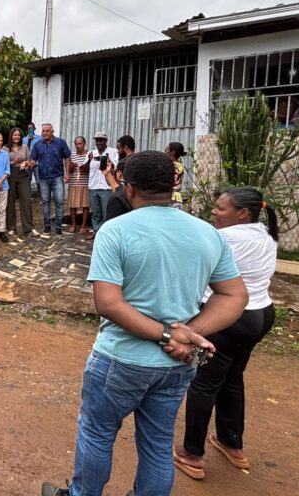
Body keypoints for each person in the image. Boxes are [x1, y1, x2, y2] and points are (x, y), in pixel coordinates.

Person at [42, 151, 248, 496]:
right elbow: (234, 296)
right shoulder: (207, 233)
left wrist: (169, 334)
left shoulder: (115, 231)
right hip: (176, 364)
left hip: (119, 360)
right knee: (157, 444)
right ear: (174, 185)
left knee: (97, 433)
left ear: (129, 188)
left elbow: (108, 303)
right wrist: (188, 334)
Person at [174, 188, 279, 481]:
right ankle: (232, 445)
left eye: (220, 209)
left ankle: (191, 455)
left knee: (204, 384)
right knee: (232, 378)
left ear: (242, 213)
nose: (214, 213)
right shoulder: (264, 233)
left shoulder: (225, 238)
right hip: (261, 315)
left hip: (228, 318)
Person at [29, 123, 71, 235]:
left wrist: (68, 173)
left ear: (52, 131)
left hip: (57, 177)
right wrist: (28, 164)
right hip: (43, 178)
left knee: (59, 202)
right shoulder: (37, 145)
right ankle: (47, 226)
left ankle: (58, 227)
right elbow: (33, 160)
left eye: (47, 131)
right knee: (45, 202)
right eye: (43, 131)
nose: (45, 133)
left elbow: (67, 157)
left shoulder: (60, 142)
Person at [85, 132, 119, 240]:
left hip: (106, 187)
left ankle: (106, 235)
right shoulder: (91, 153)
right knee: (96, 212)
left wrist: (107, 161)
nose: (99, 142)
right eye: (97, 140)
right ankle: (96, 232)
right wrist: (90, 160)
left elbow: (115, 166)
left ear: (106, 141)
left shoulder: (112, 152)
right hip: (93, 187)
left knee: (107, 212)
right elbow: (84, 170)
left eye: (101, 140)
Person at [5, 127, 36, 236]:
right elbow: (3, 165)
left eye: (18, 135)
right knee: (10, 201)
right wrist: (13, 162)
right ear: (11, 136)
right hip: (10, 175)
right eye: (14, 135)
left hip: (23, 175)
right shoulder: (5, 149)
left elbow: (31, 161)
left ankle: (28, 227)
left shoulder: (25, 147)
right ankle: (11, 227)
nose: (16, 137)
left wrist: (26, 163)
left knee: (26, 200)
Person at [68, 136, 91, 234]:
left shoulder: (88, 155)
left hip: (85, 183)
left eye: (80, 143)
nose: (78, 146)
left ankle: (83, 225)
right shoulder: (72, 155)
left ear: (84, 144)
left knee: (85, 205)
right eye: (76, 144)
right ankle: (73, 224)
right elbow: (69, 170)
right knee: (73, 206)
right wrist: (72, 166)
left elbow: (91, 169)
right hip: (74, 183)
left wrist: (85, 166)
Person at [165, 142, 187, 209]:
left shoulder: (175, 166)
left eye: (167, 148)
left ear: (173, 152)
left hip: (172, 198)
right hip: (175, 197)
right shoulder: (176, 165)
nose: (165, 150)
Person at [22, 121, 41, 196]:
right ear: (27, 129)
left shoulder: (40, 138)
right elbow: (24, 149)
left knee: (39, 180)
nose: (30, 129)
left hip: (37, 163)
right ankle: (28, 197)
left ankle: (42, 198)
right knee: (27, 180)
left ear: (34, 129)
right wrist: (29, 140)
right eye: (29, 128)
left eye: (32, 128)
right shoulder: (24, 139)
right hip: (27, 163)